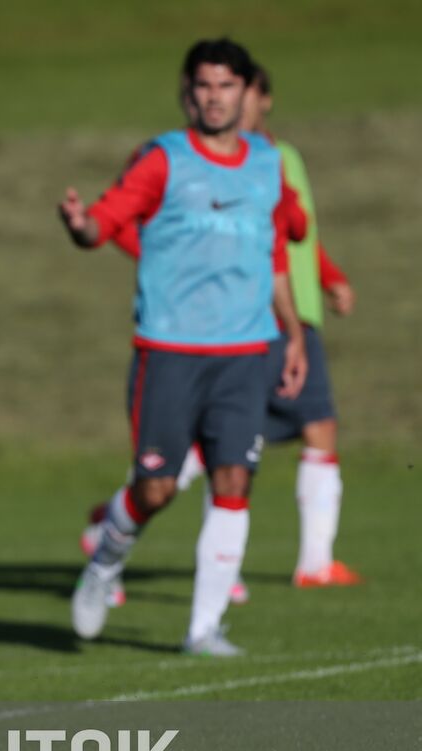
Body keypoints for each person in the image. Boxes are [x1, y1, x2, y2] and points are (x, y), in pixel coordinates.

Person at [58, 38, 307, 656]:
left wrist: (294, 332)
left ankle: (204, 629)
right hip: (169, 352)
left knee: (233, 483)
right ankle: (105, 562)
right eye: (203, 86)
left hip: (248, 353)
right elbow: (104, 223)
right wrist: (79, 224)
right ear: (186, 93)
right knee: (157, 490)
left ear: (247, 93)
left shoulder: (266, 165)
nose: (214, 97)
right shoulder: (162, 159)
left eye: (226, 86)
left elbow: (274, 253)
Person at [81, 64, 360, 600]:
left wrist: (328, 279)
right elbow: (123, 222)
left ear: (262, 100)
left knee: (286, 438)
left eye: (238, 91)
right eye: (212, 90)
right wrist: (165, 270)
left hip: (283, 320)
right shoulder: (176, 159)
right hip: (206, 330)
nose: (225, 101)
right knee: (186, 462)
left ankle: (298, 565)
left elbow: (295, 233)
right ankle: (115, 526)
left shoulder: (277, 161)